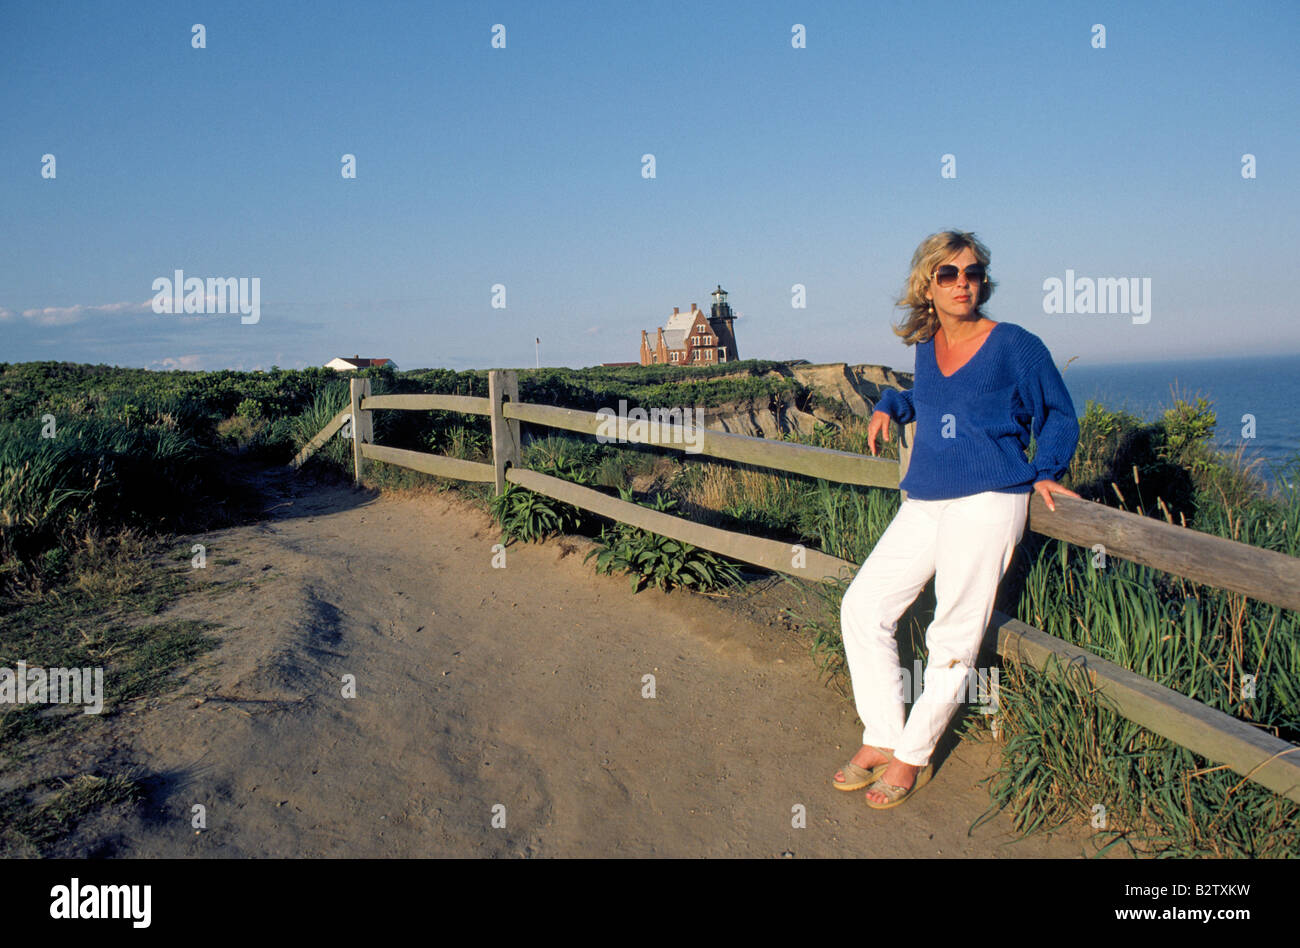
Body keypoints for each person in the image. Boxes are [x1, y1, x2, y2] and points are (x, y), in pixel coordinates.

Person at [831, 230, 1081, 809]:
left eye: (971, 272)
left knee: (953, 632)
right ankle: (883, 733)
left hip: (990, 498)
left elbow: (1061, 415)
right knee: (863, 605)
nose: (963, 282)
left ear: (982, 281)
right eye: (948, 274)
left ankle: (911, 754)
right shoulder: (928, 343)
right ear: (928, 286)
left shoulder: (1016, 345)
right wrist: (891, 403)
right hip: (927, 496)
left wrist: (1045, 468)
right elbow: (931, 394)